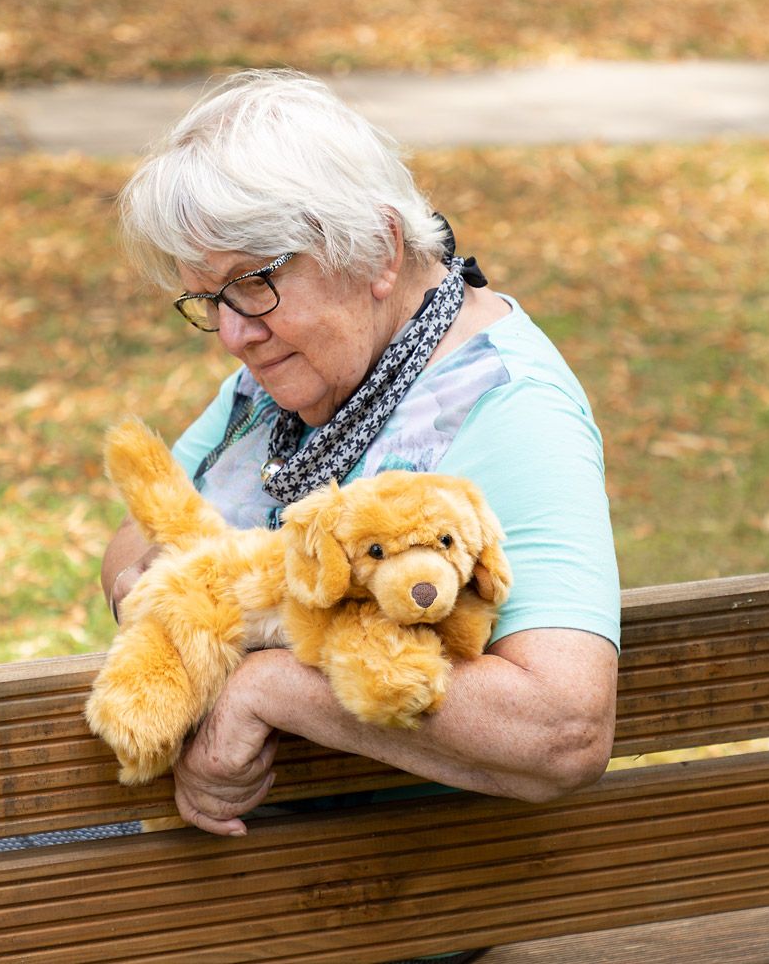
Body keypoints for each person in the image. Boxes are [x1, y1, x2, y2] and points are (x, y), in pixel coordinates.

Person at [101, 69, 621, 841]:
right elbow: (136, 540)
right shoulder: (291, 367)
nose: (235, 333)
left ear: (378, 250)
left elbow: (562, 729)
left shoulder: (512, 408)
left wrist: (270, 680)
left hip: (373, 898)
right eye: (209, 301)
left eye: (250, 284)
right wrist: (173, 609)